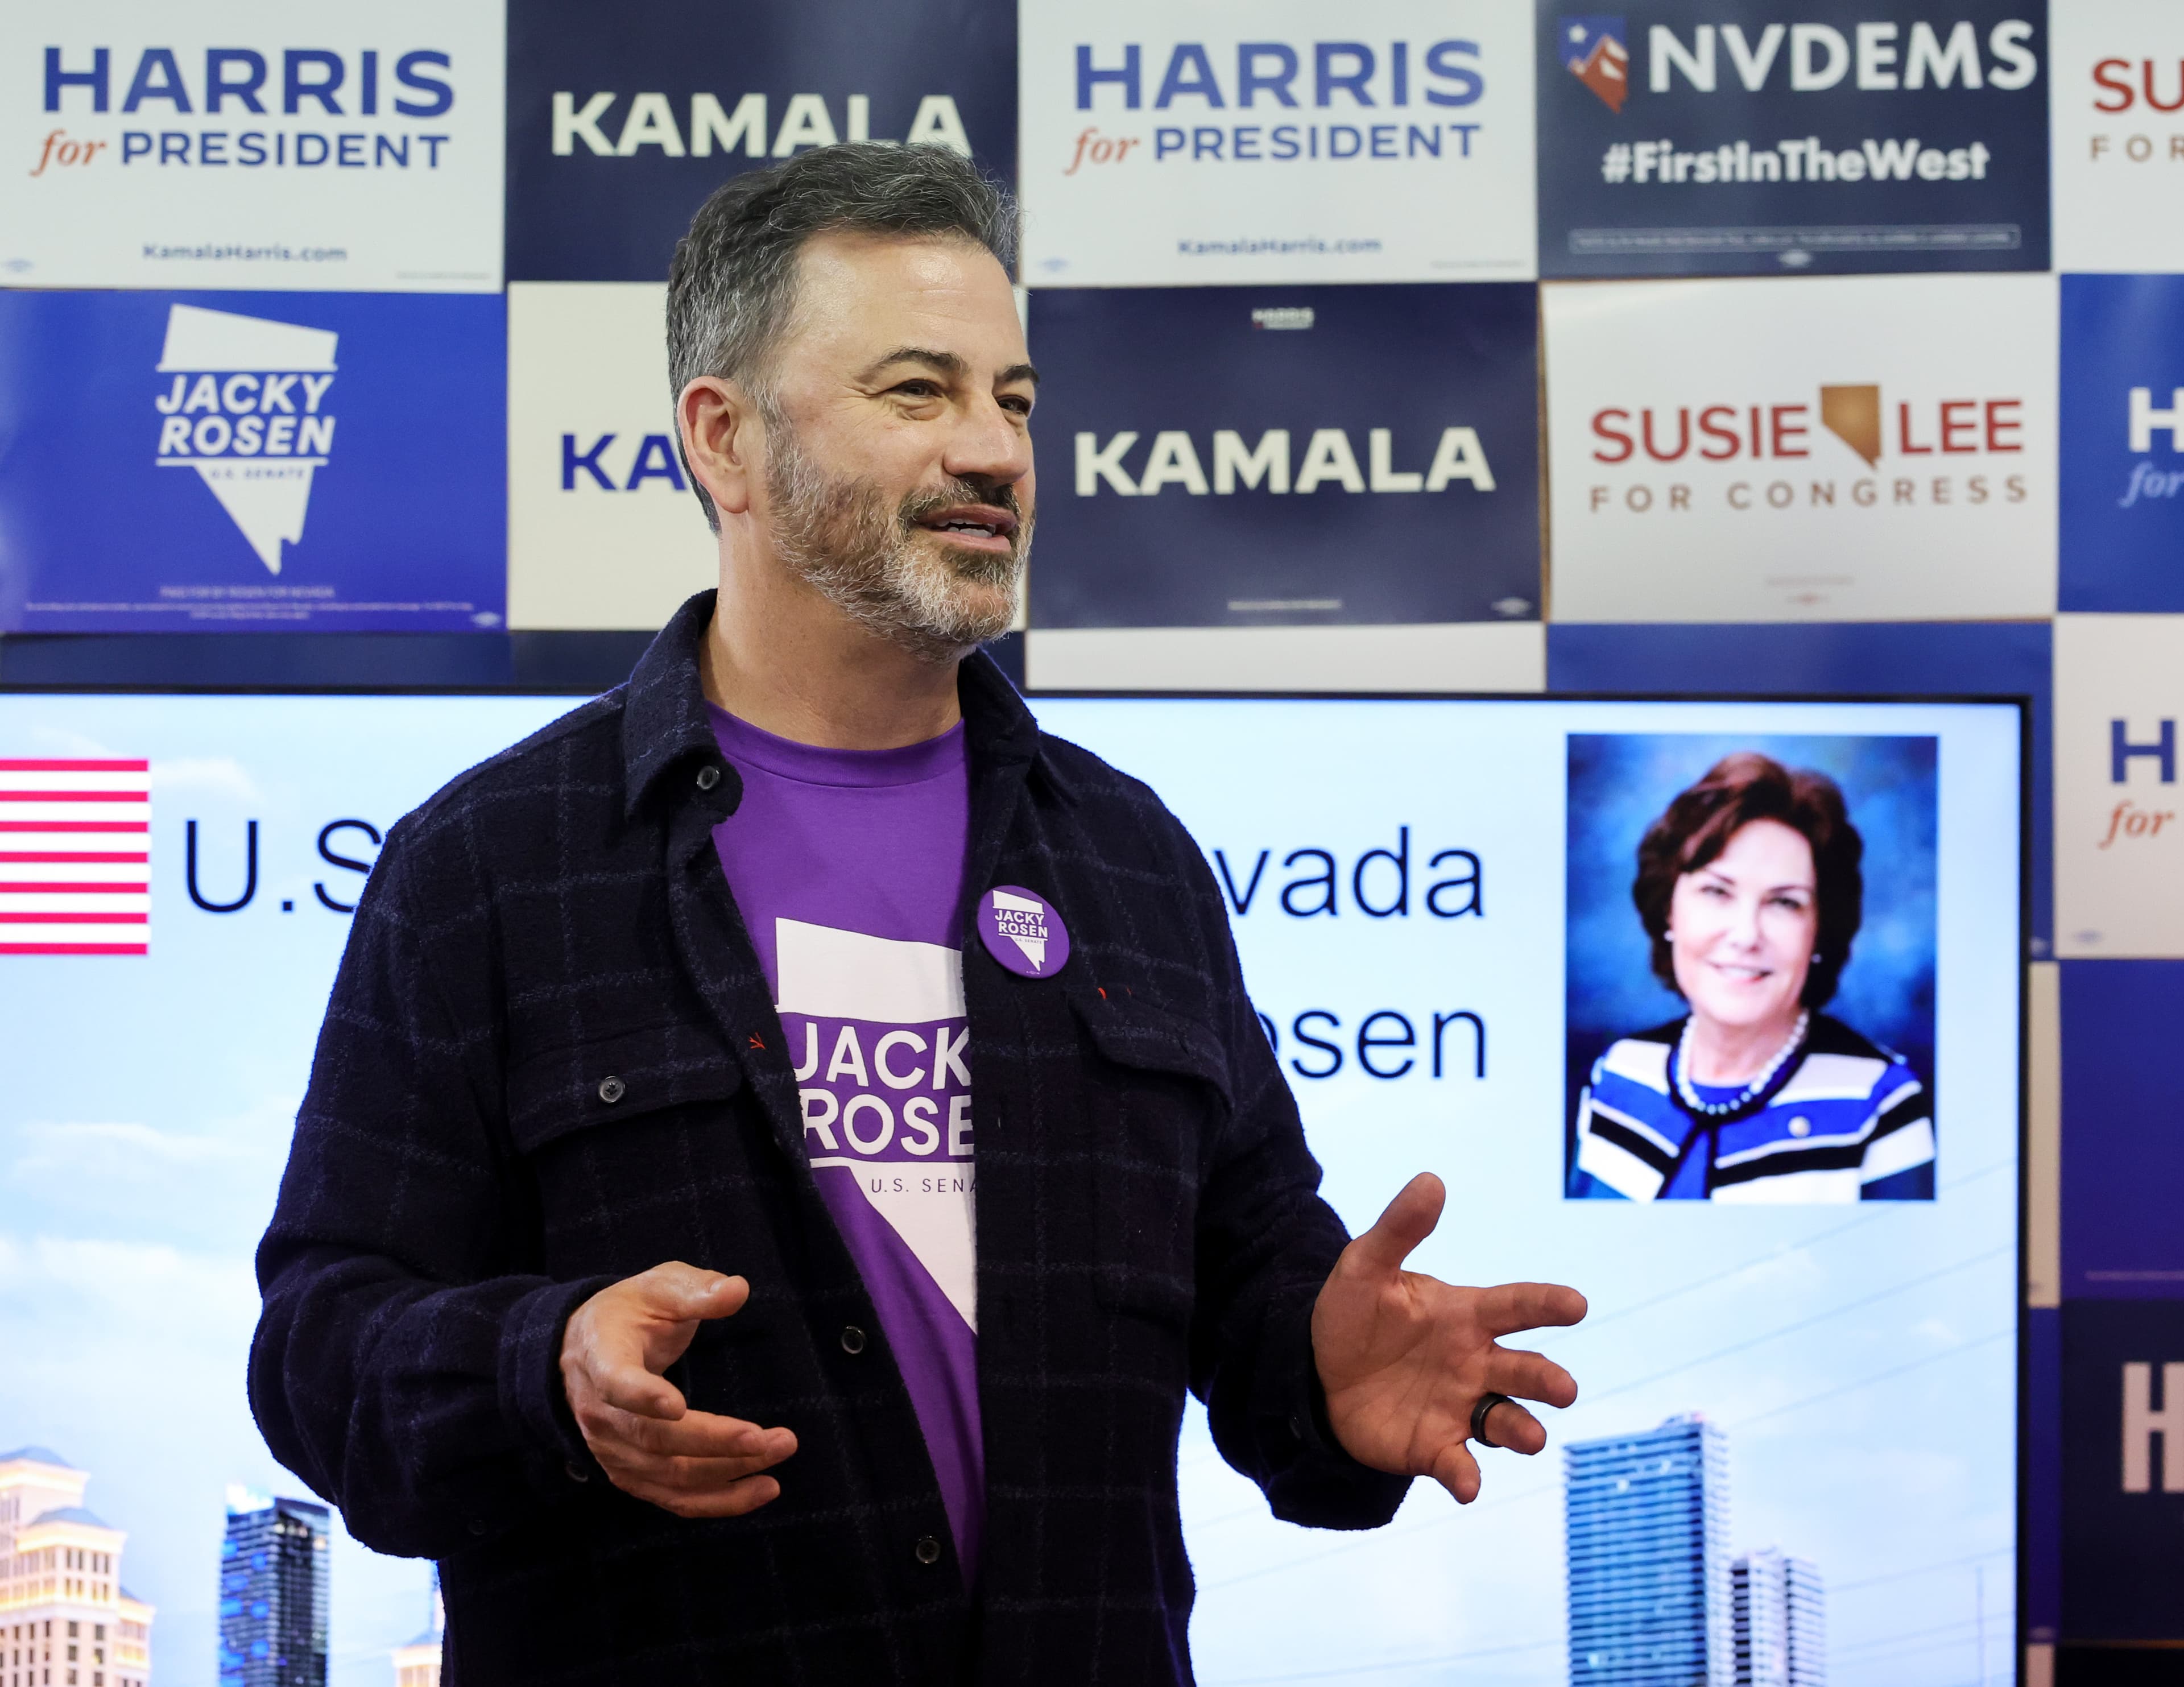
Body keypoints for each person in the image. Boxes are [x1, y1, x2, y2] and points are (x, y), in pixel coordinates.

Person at [248, 143, 1586, 1684]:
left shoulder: (1131, 860)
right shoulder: (487, 869)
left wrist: (1323, 1360)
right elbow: (323, 1348)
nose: (997, 449)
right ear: (726, 438)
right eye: (916, 390)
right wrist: (542, 1370)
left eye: (1013, 400)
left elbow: (1259, 1280)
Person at [1572, 751, 1934, 1204]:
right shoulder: (1620, 1073)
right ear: (1669, 908)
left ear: (1820, 930)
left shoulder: (1881, 1102)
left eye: (1784, 903)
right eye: (1717, 892)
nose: (1746, 935)